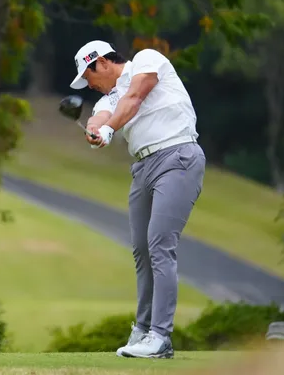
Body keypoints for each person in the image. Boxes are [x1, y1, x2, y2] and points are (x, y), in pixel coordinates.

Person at [70, 40, 206, 359]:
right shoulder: (109, 98)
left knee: (160, 245)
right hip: (143, 168)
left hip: (177, 156)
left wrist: (109, 128)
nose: (90, 85)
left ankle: (160, 336)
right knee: (142, 250)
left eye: (89, 77)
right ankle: (143, 330)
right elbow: (100, 118)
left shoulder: (147, 60)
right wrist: (95, 130)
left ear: (102, 62)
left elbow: (134, 98)